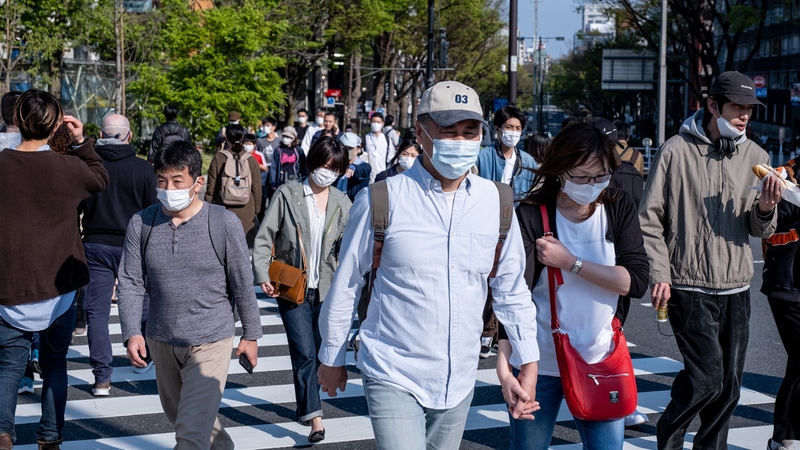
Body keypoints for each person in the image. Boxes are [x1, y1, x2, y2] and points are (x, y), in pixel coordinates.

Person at [318, 81, 540, 450]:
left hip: (460, 374)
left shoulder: (496, 203)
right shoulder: (382, 199)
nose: (459, 141)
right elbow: (347, 282)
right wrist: (332, 355)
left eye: (469, 132)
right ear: (421, 132)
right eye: (447, 130)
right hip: (393, 367)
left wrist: (528, 361)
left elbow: (510, 288)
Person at [639, 71, 781, 450]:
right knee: (708, 377)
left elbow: (761, 231)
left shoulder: (757, 156)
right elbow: (649, 218)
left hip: (736, 287)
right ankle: (669, 436)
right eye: (737, 107)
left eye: (750, 109)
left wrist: (766, 207)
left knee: (728, 386)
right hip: (688, 285)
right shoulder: (675, 151)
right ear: (713, 105)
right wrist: (660, 273)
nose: (745, 116)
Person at [497, 121, 649, 449]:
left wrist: (571, 263)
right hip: (538, 361)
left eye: (601, 175)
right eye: (581, 176)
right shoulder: (531, 214)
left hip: (600, 356)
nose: (592, 184)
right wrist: (505, 359)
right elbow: (514, 292)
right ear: (560, 170)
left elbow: (635, 282)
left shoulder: (618, 206)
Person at [118, 141, 262, 450]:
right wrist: (131, 331)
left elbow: (241, 281)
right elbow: (130, 281)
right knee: (186, 419)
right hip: (161, 338)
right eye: (161, 180)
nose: (167, 188)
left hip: (211, 339)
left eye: (176, 181)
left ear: (197, 182)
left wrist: (250, 334)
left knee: (189, 435)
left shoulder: (224, 223)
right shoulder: (141, 223)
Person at [0, 90, 109, 450]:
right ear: (55, 123)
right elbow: (99, 177)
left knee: (9, 367)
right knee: (55, 364)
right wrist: (80, 140)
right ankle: (50, 436)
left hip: (10, 280)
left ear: (16, 118)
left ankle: (3, 432)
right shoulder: (67, 168)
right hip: (60, 283)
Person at [252, 137, 352, 443]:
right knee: (303, 353)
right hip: (292, 287)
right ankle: (314, 418)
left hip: (328, 290)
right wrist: (262, 272)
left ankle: (314, 398)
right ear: (311, 162)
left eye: (334, 168)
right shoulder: (288, 194)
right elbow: (264, 236)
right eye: (323, 165)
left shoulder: (342, 203)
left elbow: (347, 249)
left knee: (323, 350)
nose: (327, 172)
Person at [78, 114, 159, 397]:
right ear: (130, 135)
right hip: (133, 244)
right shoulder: (143, 169)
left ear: (100, 133)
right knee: (141, 301)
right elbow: (153, 211)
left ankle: (102, 377)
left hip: (95, 243)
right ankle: (142, 358)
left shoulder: (89, 166)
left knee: (96, 312)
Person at [475, 105, 538, 359]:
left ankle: (497, 333)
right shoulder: (483, 156)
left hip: (516, 227)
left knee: (511, 280)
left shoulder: (528, 161)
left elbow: (534, 193)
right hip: (484, 224)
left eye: (518, 128)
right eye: (508, 127)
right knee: (485, 278)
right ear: (498, 129)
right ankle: (484, 330)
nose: (513, 132)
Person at [760, 158, 800, 450]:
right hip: (788, 285)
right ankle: (783, 438)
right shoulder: (784, 175)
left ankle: (784, 436)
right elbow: (771, 225)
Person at [205, 124, 263, 247]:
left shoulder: (219, 158)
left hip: (223, 208)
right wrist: (256, 209)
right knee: (245, 249)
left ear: (226, 139)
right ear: (243, 138)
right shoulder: (251, 160)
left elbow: (211, 186)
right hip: (247, 208)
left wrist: (209, 206)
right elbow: (257, 188)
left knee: (225, 247)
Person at [270, 126, 308, 194]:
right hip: (281, 179)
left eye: (287, 137)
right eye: (284, 136)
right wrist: (273, 182)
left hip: (295, 179)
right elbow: (273, 166)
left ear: (293, 138)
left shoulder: (298, 150)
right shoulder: (278, 150)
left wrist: (303, 178)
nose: (285, 139)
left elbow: (304, 165)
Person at [335, 132, 372, 201]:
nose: (346, 150)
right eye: (343, 147)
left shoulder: (363, 166)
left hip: (353, 206)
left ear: (358, 149)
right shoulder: (336, 164)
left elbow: (363, 170)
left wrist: (353, 168)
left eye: (349, 148)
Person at [362, 112, 393, 184]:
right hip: (368, 174)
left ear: (383, 123)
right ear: (370, 122)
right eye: (373, 121)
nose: (375, 124)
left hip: (382, 173)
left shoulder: (387, 139)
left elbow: (391, 157)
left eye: (378, 122)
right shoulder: (365, 138)